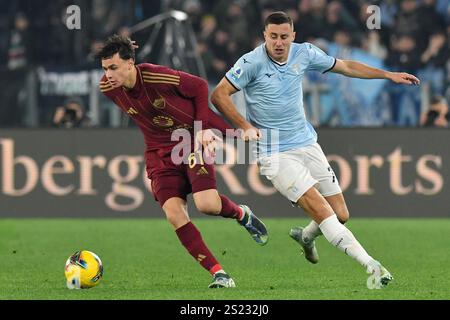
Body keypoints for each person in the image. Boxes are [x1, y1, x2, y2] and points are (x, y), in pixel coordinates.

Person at [211, 11, 420, 289]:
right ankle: (372, 266)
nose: (278, 42)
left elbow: (346, 66)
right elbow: (219, 94)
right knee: (323, 212)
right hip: (273, 152)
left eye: (284, 37)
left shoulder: (305, 53)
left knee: (341, 214)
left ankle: (306, 237)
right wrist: (244, 126)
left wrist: (387, 74)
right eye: (273, 36)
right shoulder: (251, 62)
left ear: (293, 37)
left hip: (306, 143)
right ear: (264, 36)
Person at [95, 35, 268, 289]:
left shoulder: (155, 76)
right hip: (158, 154)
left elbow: (199, 86)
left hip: (189, 142)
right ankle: (219, 274)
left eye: (113, 68)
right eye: (104, 69)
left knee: (208, 205)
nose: (108, 75)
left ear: (130, 63)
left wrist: (207, 129)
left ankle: (242, 214)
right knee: (175, 215)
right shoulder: (108, 89)